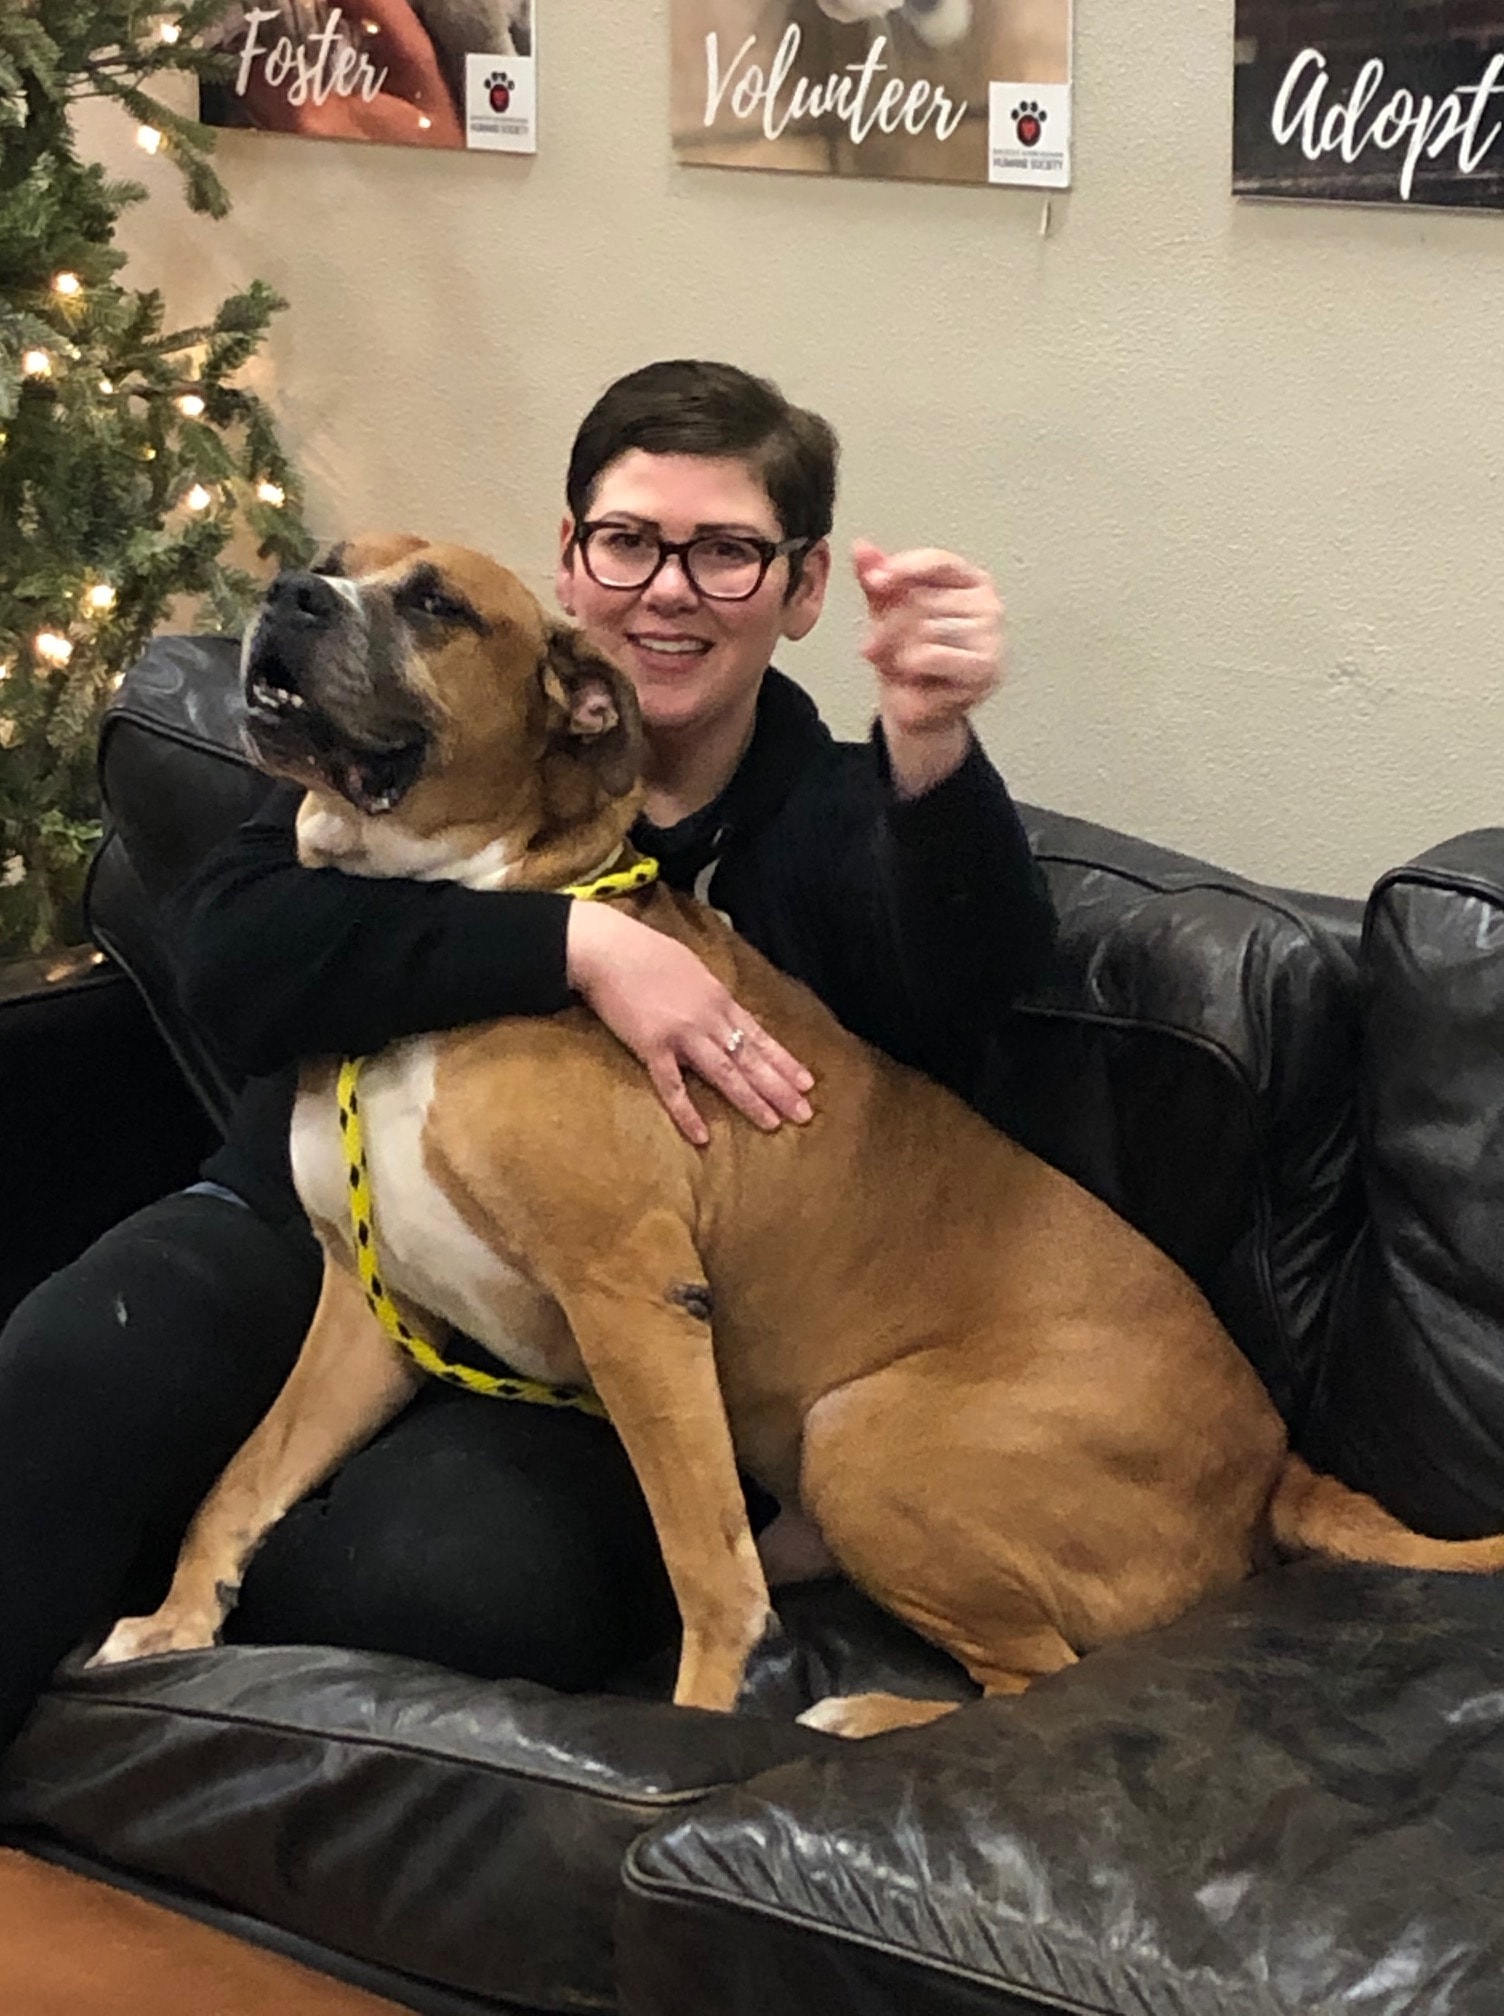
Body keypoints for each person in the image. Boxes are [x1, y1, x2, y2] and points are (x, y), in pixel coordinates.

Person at [0, 360, 1056, 1753]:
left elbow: (966, 1004)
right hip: (308, 1218)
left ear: (802, 593)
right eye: (628, 541)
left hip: (578, 1338)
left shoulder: (820, 823)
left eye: (728, 553)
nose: (667, 588)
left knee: (435, 1578)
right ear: (572, 564)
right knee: (62, 1372)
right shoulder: (382, 766)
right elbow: (234, 963)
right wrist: (577, 947)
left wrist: (931, 750)